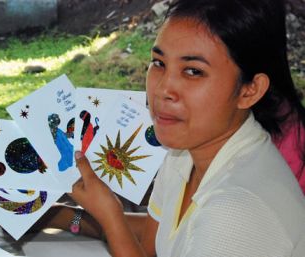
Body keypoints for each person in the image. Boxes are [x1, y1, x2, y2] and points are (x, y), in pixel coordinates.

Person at [33, 0, 305, 256]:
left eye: (193, 71)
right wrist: (69, 216)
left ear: (250, 90)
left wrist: (110, 216)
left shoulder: (236, 210)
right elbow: (153, 246)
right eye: (159, 64)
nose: (163, 89)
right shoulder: (185, 155)